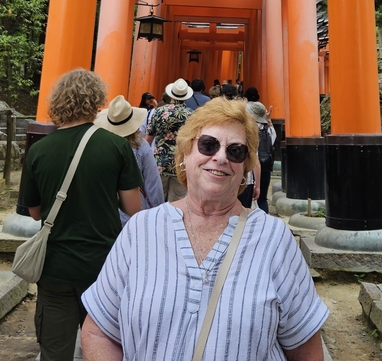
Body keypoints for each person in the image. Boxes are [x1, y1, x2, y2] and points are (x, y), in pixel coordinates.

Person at [81, 97, 329, 361]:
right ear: (185, 154)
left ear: (245, 167)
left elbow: (305, 347)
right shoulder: (140, 230)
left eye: (235, 151)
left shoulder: (274, 239)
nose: (220, 157)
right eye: (208, 145)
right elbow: (99, 331)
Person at [22, 68, 143, 361]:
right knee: (104, 349)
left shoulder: (39, 150)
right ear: (97, 101)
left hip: (55, 267)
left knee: (54, 351)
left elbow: (35, 211)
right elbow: (133, 209)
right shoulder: (116, 146)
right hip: (103, 267)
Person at [95, 95, 164, 224]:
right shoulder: (141, 146)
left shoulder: (99, 146)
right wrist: (157, 212)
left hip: (104, 213)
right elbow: (152, 183)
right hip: (134, 215)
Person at [146, 78, 193, 201]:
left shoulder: (159, 112)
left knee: (157, 201)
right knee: (177, 203)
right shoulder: (191, 115)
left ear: (171, 94)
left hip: (159, 163)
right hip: (180, 163)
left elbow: (148, 139)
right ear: (185, 97)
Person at [246, 101, 276, 214]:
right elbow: (273, 139)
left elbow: (255, 160)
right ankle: (265, 220)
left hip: (250, 170)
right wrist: (269, 120)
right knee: (262, 199)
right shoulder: (266, 129)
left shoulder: (248, 130)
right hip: (266, 166)